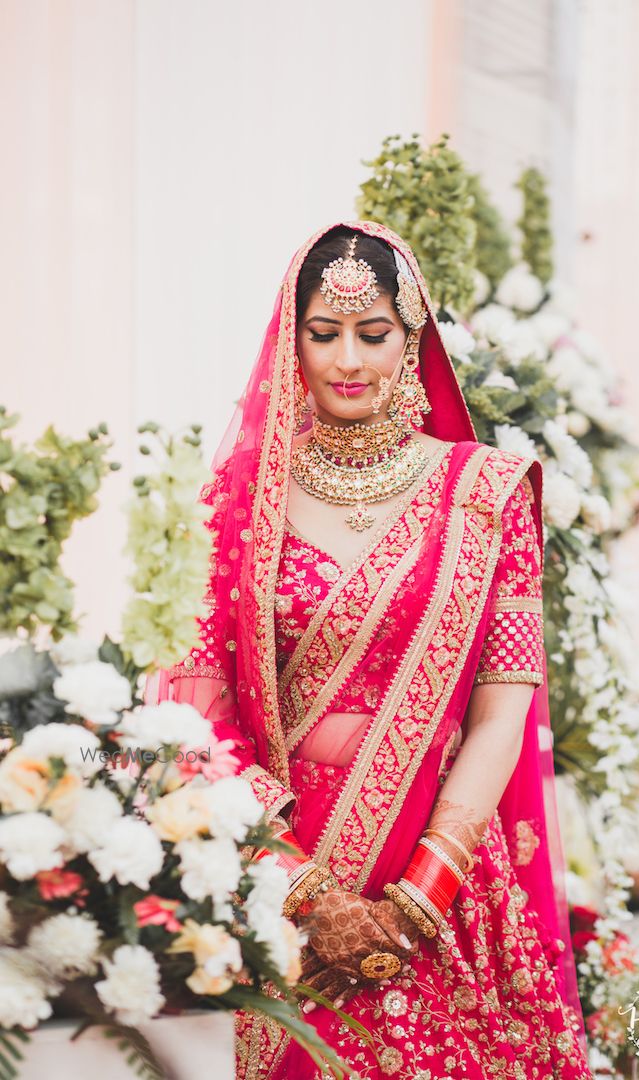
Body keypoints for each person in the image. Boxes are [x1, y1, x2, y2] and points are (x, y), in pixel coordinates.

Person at [153, 221, 592, 1078]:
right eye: (324, 334)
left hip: (440, 870)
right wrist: (306, 892)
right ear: (294, 340)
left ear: (412, 336)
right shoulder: (235, 504)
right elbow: (195, 712)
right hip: (281, 864)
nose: (348, 359)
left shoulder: (486, 495)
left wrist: (423, 895)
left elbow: (506, 708)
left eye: (373, 332)